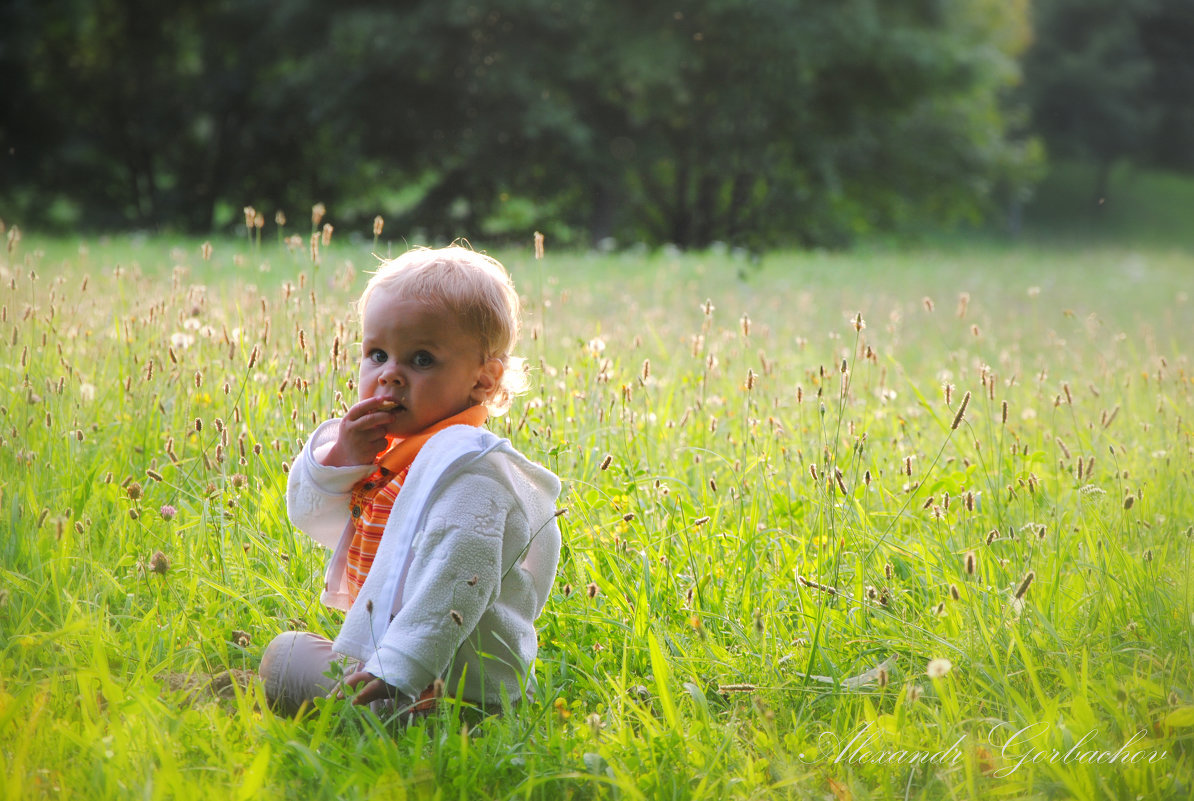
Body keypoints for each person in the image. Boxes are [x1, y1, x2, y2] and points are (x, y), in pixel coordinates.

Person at [260, 245, 562, 718]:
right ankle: (365, 708)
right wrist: (342, 458)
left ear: (484, 381)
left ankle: (390, 720)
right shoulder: (399, 456)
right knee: (291, 654)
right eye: (377, 354)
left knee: (285, 659)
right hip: (400, 667)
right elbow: (307, 511)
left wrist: (398, 668)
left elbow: (459, 582)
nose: (390, 376)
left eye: (421, 359)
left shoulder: (470, 474)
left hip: (450, 686)